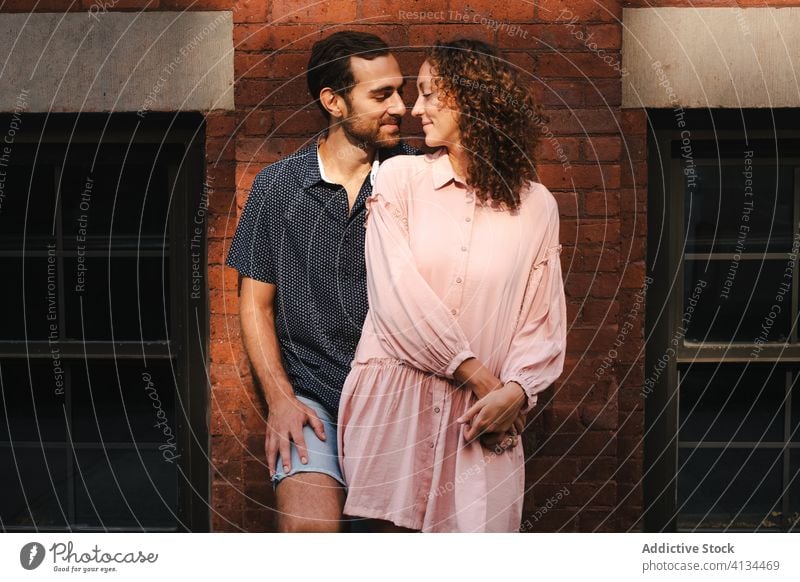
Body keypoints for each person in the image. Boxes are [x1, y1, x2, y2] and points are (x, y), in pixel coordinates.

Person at [337, 39, 567, 533]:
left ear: (473, 99)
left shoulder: (537, 205)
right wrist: (486, 381)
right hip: (396, 418)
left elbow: (541, 317)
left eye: (428, 94)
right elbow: (397, 297)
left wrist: (519, 392)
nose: (415, 111)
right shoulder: (399, 179)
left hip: (483, 423)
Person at [226, 30, 416, 532]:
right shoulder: (277, 187)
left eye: (400, 90)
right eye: (382, 95)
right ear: (333, 101)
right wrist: (281, 399)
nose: (403, 106)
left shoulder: (420, 179)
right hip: (312, 396)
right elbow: (255, 305)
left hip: (399, 400)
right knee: (309, 536)